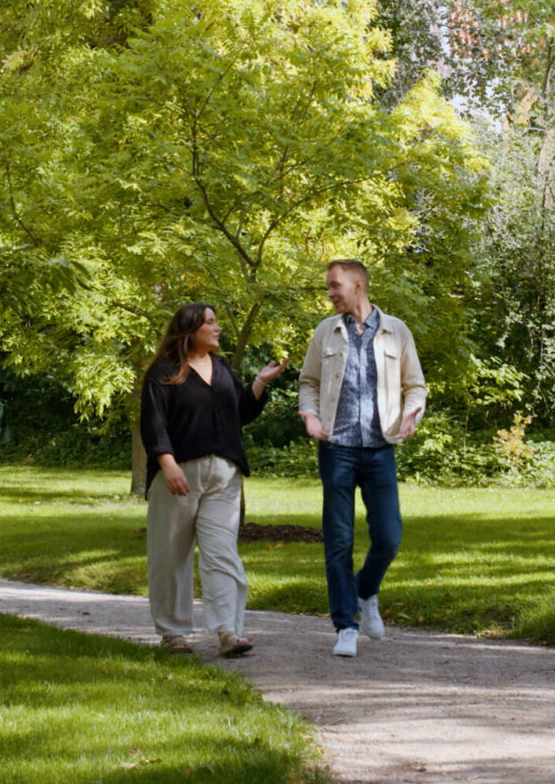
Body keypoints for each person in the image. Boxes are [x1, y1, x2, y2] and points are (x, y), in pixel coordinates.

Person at [141, 303, 287, 657]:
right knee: (171, 554)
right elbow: (154, 422)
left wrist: (260, 382)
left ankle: (227, 632)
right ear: (190, 330)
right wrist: (167, 463)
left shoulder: (221, 368)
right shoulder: (164, 371)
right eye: (210, 322)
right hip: (178, 475)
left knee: (222, 552)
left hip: (224, 476)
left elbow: (240, 412)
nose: (217, 327)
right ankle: (173, 633)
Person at [296, 259, 426, 658]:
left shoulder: (395, 331)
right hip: (336, 448)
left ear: (358, 285)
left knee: (388, 537)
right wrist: (311, 414)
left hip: (379, 448)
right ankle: (345, 625)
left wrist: (411, 413)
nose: (330, 293)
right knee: (339, 540)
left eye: (335, 286)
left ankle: (365, 591)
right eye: (328, 287)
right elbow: (309, 382)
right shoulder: (325, 332)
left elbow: (415, 385)